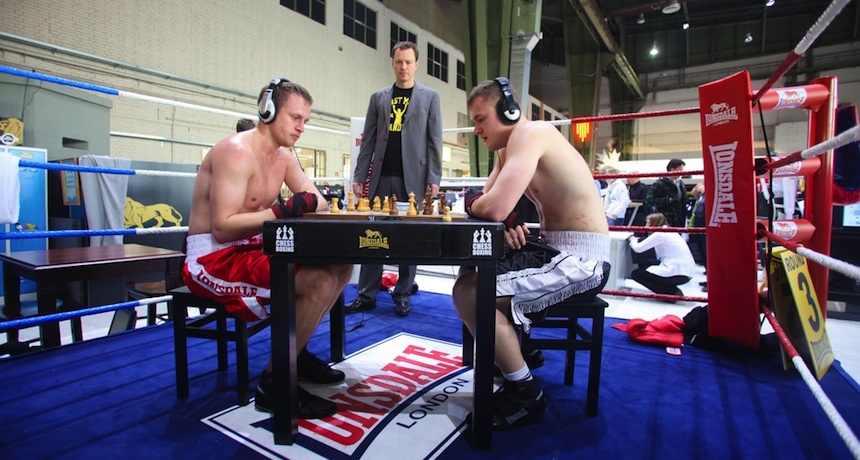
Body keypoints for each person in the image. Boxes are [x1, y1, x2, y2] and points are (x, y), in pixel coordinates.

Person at [182, 78, 352, 419]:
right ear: (268, 110)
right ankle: (274, 384)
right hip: (212, 257)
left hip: (254, 245)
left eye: (306, 120)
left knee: (342, 267)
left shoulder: (284, 157)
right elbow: (223, 226)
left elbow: (315, 200)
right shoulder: (235, 151)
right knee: (318, 282)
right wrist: (281, 210)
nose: (302, 127)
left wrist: (304, 204)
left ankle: (296, 352)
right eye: (295, 118)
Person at [453, 78, 611, 430]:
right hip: (554, 250)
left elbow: (489, 207)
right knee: (468, 273)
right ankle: (515, 352)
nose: (476, 129)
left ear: (508, 112)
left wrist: (495, 210)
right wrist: (495, 210)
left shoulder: (531, 133)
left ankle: (525, 393)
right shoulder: (507, 148)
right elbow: (483, 203)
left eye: (481, 119)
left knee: (471, 292)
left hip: (583, 261)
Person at [347, 41, 443, 317]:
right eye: (399, 62)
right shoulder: (378, 98)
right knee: (371, 236)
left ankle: (403, 294)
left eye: (408, 62)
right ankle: (366, 294)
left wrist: (433, 177)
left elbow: (434, 140)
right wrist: (359, 174)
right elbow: (368, 141)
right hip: (380, 177)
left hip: (413, 178)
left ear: (416, 65)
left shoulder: (430, 97)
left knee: (408, 239)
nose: (403, 67)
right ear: (392, 63)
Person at [628, 212, 696, 299]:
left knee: (636, 274)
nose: (645, 226)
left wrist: (633, 240)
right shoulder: (670, 231)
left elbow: (638, 249)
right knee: (644, 263)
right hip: (686, 271)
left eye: (648, 223)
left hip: (678, 272)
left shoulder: (660, 233)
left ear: (654, 223)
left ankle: (671, 292)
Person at [645, 158, 688, 228]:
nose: (681, 173)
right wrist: (668, 200)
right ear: (672, 169)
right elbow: (650, 200)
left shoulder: (680, 183)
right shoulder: (660, 184)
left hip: (679, 219)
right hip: (666, 219)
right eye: (680, 170)